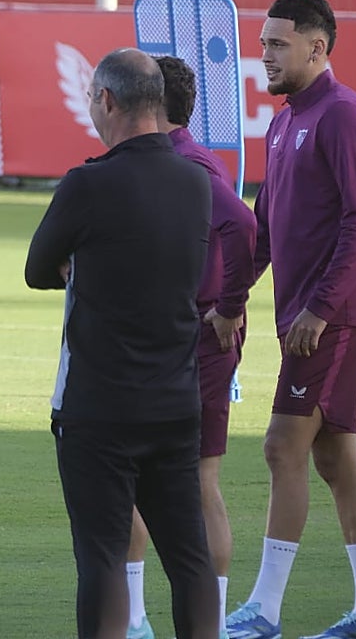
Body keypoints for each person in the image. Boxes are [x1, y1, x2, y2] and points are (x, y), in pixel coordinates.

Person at [25, 48, 219, 639]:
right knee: (189, 558)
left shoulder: (88, 183)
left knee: (104, 557)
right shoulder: (196, 182)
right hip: (175, 401)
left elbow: (37, 267)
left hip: (99, 406)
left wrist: (81, 264)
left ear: (106, 100)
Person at [225, 0, 356, 639]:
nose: (265, 56)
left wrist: (319, 306)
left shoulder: (342, 115)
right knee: (335, 458)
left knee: (283, 447)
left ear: (318, 47)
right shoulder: (285, 121)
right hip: (305, 318)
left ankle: (265, 611)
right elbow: (266, 224)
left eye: (278, 44)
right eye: (262, 45)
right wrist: (232, 301)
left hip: (334, 320)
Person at [123, 56, 257, 639]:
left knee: (181, 481)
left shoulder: (185, 161)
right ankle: (143, 619)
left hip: (194, 342)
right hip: (176, 338)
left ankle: (184, 623)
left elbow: (244, 228)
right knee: (153, 479)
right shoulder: (184, 156)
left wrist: (229, 305)